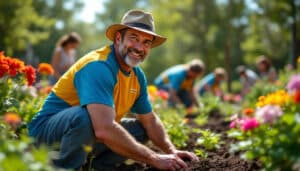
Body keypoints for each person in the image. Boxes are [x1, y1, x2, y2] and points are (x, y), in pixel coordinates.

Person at [28, 10, 198, 170]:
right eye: (134, 38)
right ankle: (61, 166)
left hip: (83, 135)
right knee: (85, 116)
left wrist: (171, 150)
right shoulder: (99, 66)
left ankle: (95, 166)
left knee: (141, 129)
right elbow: (103, 128)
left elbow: (150, 120)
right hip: (46, 136)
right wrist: (154, 158)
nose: (139, 48)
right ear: (118, 38)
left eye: (146, 42)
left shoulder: (137, 76)